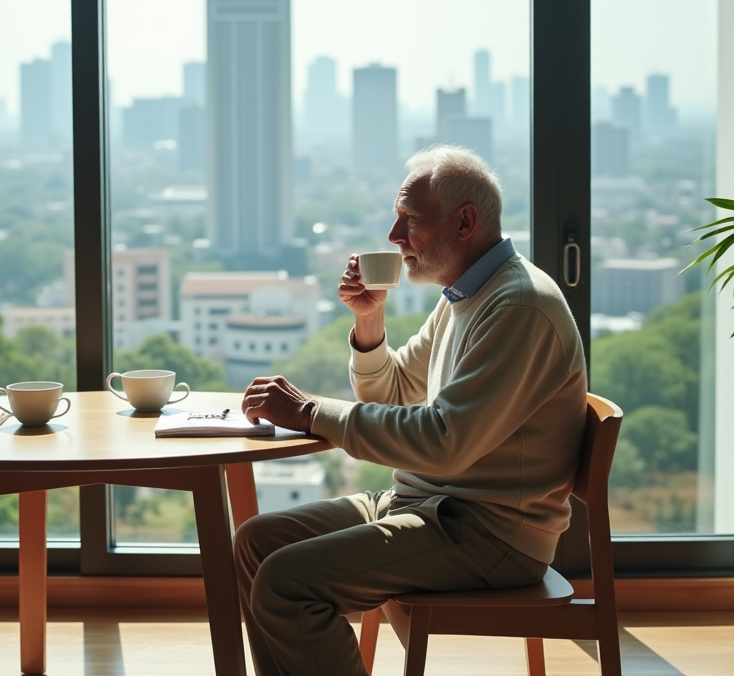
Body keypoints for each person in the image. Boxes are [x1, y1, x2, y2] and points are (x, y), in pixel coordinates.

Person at [235, 145, 587, 676]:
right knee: (255, 543)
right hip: (429, 504)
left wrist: (310, 412)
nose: (395, 237)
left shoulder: (518, 307)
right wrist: (369, 322)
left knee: (287, 582)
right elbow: (394, 390)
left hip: (487, 533)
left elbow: (444, 441)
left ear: (465, 220)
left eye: (410, 221)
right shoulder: (464, 297)